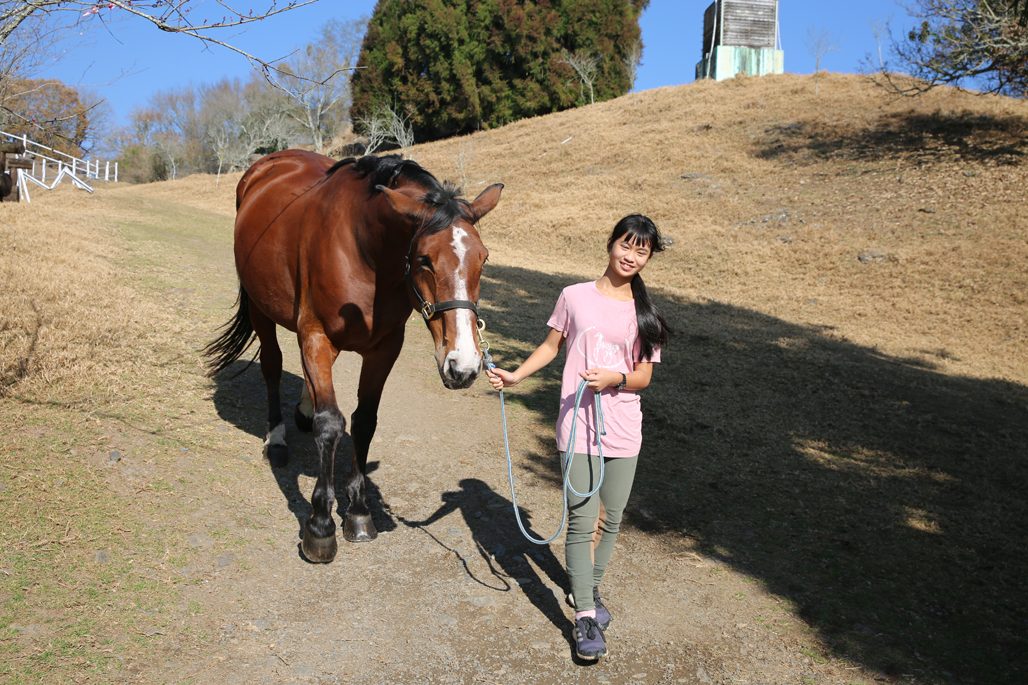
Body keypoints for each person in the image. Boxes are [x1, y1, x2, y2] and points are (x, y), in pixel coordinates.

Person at [486, 214, 670, 660]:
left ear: (648, 258)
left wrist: (615, 378)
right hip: (578, 427)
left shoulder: (646, 314)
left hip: (624, 429)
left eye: (641, 251)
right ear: (610, 244)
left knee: (612, 519)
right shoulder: (574, 296)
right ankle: (585, 615)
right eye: (626, 245)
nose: (631, 256)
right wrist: (516, 376)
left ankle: (587, 588)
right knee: (582, 521)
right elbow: (551, 346)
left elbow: (643, 376)